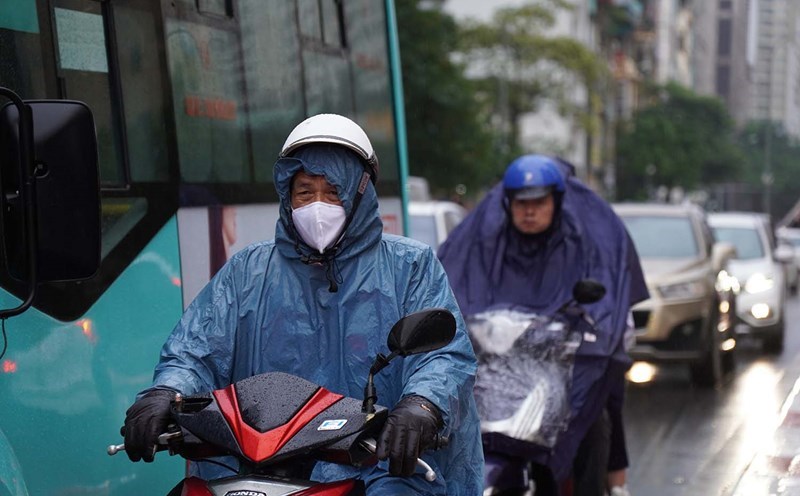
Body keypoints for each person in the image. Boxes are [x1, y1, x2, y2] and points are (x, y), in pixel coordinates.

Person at [121, 113, 485, 495]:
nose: (318, 206)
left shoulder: (410, 266)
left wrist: (421, 406)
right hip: (265, 472)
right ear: (286, 196)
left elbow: (443, 358)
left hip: (377, 468)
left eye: (333, 192)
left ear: (360, 193)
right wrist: (166, 392)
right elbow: (195, 351)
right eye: (305, 192)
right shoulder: (248, 271)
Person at [437, 154, 648, 496]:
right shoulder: (486, 243)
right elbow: (456, 284)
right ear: (508, 203)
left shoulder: (584, 243)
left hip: (562, 369)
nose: (529, 211)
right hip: (499, 372)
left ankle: (613, 484)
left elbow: (610, 305)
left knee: (598, 408)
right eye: (521, 203)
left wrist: (597, 331)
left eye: (538, 202)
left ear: (556, 201)